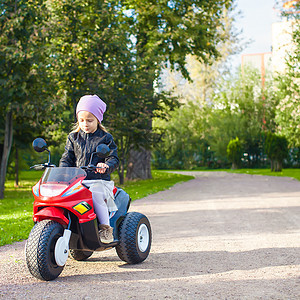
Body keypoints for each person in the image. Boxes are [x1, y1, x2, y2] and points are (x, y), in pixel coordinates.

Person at [59, 94, 119, 243]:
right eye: (81, 120)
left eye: (90, 120)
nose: (85, 123)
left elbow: (113, 158)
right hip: (77, 181)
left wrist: (106, 165)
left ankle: (105, 228)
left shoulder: (105, 138)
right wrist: (62, 171)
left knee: (96, 194)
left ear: (98, 119)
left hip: (98, 181)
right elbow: (67, 158)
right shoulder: (73, 138)